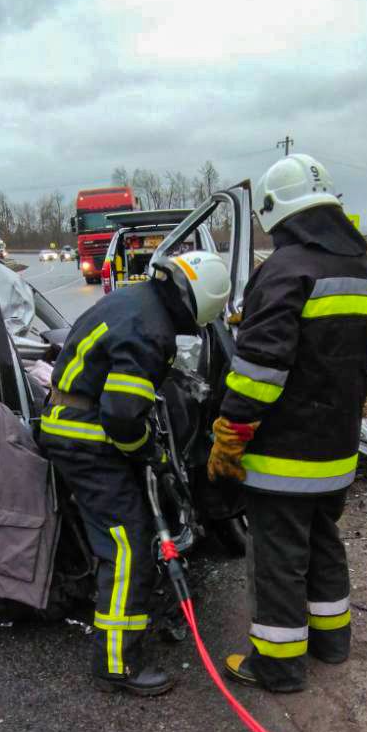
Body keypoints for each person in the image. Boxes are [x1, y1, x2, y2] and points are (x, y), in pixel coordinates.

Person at [208, 154, 367, 693]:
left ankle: (278, 665)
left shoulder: (285, 269)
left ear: (276, 214)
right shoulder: (357, 267)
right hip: (337, 449)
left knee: (278, 558)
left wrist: (231, 432)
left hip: (284, 454)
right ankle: (332, 642)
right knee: (323, 541)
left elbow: (260, 370)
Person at [41, 249, 231, 696]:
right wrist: (151, 454)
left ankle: (120, 648)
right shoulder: (153, 327)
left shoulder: (137, 300)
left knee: (123, 537)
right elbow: (123, 415)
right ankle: (117, 664)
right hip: (86, 439)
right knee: (128, 546)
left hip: (70, 426)